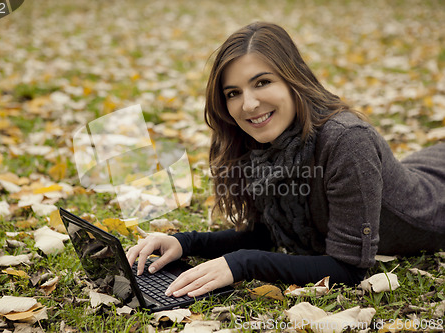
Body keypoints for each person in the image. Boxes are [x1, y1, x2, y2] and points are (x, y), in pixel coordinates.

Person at [126, 22, 445, 299]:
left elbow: (349, 269)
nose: (248, 104)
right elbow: (269, 235)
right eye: (233, 93)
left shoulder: (348, 139)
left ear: (293, 79)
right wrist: (183, 243)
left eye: (262, 82)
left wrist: (241, 264)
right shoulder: (261, 142)